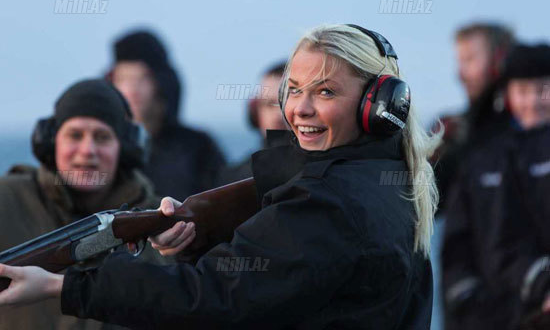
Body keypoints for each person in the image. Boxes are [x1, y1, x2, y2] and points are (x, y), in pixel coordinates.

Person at [0, 24, 441, 329]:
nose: (299, 109)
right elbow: (280, 285)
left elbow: (214, 300)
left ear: (376, 103)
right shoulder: (392, 181)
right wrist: (201, 241)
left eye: (326, 91)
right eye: (295, 90)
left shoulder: (328, 201)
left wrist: (62, 287)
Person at [0, 79, 193, 330]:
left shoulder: (158, 218)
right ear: (51, 141)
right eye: (75, 135)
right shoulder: (6, 198)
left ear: (125, 148)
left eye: (102, 137)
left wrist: (186, 238)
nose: (87, 150)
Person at [441, 44, 550, 330]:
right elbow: (458, 242)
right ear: (508, 95)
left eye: (544, 90)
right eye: (523, 91)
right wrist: (463, 297)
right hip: (497, 313)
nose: (534, 102)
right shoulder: (484, 156)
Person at [110, 30, 226, 200]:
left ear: (161, 82)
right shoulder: (104, 149)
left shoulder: (198, 147)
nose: (133, 89)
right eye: (124, 78)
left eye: (143, 78)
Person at [432, 22, 515, 212]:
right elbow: (428, 205)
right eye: (459, 61)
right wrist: (431, 158)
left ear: (499, 60)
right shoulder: (454, 129)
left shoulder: (526, 128)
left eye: (469, 60)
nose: (460, 74)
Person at [217, 60, 287, 184]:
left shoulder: (325, 172)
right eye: (269, 104)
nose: (278, 115)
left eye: (286, 103)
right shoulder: (234, 178)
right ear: (255, 111)